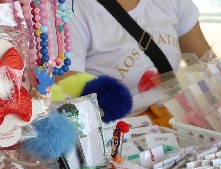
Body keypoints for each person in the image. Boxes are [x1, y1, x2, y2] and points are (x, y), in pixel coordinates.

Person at [67, 0, 211, 115]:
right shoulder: (70, 9)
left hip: (175, 119)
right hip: (120, 131)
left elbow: (206, 65)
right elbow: (70, 100)